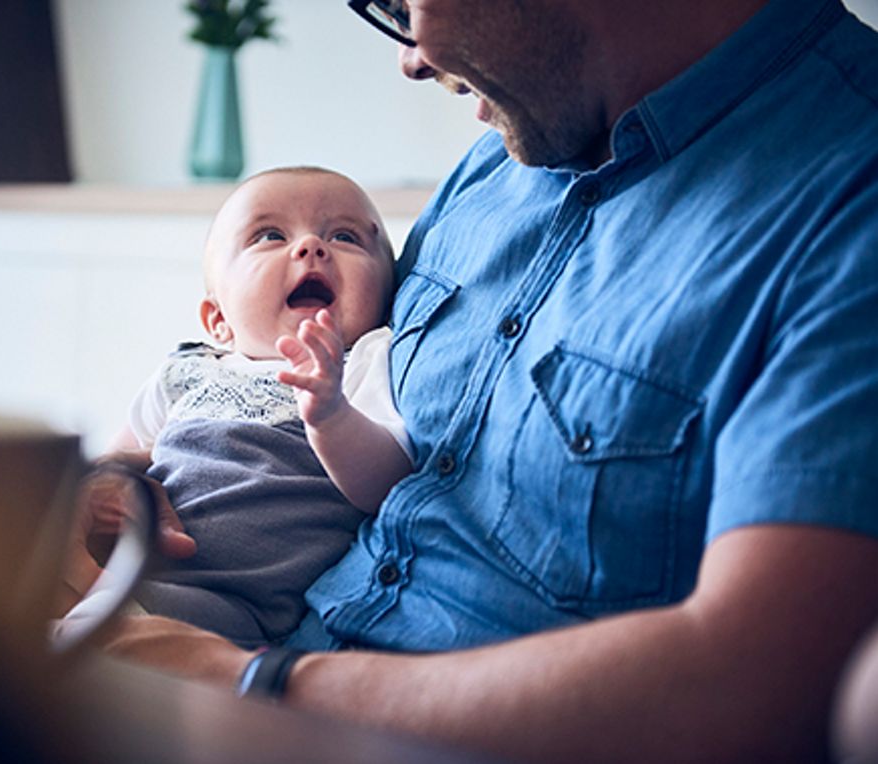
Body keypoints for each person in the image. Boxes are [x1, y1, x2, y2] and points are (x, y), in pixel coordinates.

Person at [76, 1, 878, 760]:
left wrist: (249, 682)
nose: (411, 58)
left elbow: (758, 680)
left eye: (402, 4)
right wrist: (110, 490)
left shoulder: (850, 206)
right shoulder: (502, 154)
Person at [60, 166, 412, 648]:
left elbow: (388, 485)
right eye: (270, 235)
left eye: (345, 237)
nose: (311, 247)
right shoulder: (187, 370)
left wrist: (331, 417)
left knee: (88, 637)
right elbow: (113, 465)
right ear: (218, 319)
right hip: (130, 565)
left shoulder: (365, 360)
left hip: (228, 603)